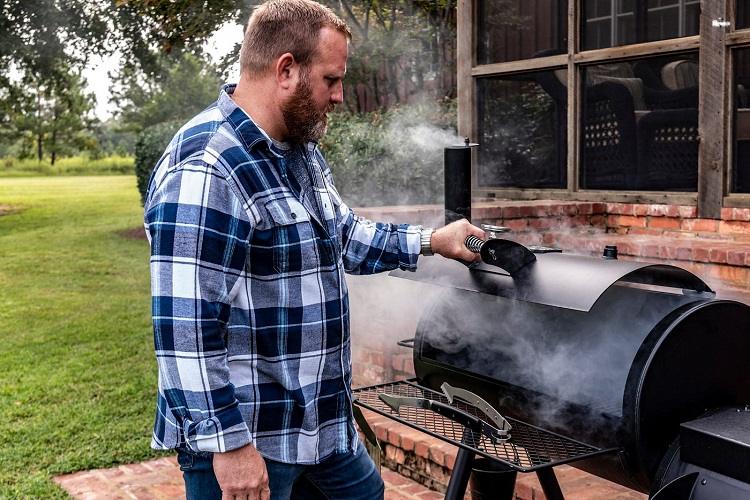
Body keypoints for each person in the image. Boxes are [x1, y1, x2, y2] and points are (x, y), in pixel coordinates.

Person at [143, 1, 485, 498]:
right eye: (331, 79)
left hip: (320, 427)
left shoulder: (298, 149)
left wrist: (434, 241)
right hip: (251, 439)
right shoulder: (208, 167)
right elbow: (185, 327)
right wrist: (229, 445)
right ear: (286, 70)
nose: (340, 95)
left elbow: (342, 236)